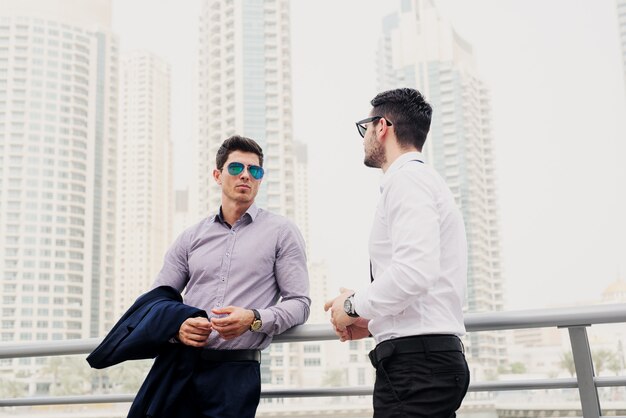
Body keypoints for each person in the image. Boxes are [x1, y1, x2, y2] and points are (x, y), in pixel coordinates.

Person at [324, 88, 470, 418]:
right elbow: (425, 294)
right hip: (423, 365)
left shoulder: (408, 181)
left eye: (366, 128)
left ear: (383, 127)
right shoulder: (421, 181)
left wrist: (351, 305)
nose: (364, 139)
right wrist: (373, 321)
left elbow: (414, 272)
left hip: (418, 369)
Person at [153, 135, 310, 417]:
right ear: (217, 175)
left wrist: (254, 319)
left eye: (255, 170)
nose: (246, 176)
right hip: (179, 367)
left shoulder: (281, 232)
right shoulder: (191, 237)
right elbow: (158, 300)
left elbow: (300, 303)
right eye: (237, 168)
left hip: (236, 373)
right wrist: (177, 327)